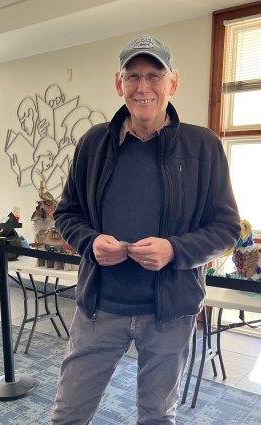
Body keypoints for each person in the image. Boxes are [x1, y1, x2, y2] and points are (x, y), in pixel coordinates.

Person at [50, 35, 240, 425]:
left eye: (154, 75)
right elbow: (67, 214)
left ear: (173, 82)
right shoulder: (92, 145)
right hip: (98, 309)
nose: (143, 87)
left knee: (156, 418)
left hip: (169, 314)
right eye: (133, 76)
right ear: (118, 83)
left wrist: (174, 250)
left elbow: (225, 229)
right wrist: (90, 242)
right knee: (68, 415)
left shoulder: (203, 147)